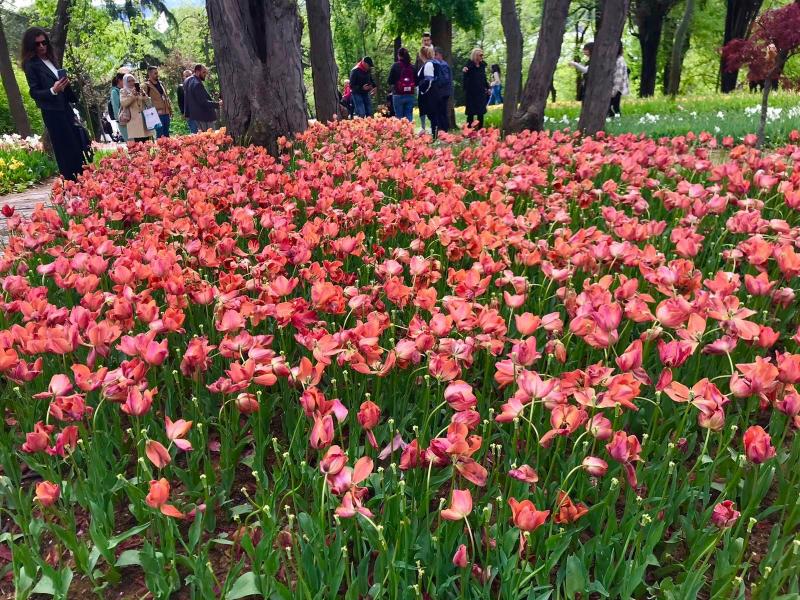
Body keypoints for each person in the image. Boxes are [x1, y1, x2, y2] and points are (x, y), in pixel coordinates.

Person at [21, 27, 85, 181]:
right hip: (52, 112)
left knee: (76, 144)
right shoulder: (31, 65)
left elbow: (60, 84)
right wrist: (53, 90)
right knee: (64, 148)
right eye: (37, 44)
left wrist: (65, 84)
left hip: (65, 108)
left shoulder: (51, 60)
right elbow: (34, 92)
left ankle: (83, 179)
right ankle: (71, 183)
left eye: (44, 42)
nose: (42, 46)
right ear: (31, 46)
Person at [119, 73, 155, 142]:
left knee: (146, 141)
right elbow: (123, 103)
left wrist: (144, 95)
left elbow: (149, 103)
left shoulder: (140, 89)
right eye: (129, 81)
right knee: (138, 141)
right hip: (133, 120)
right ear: (125, 82)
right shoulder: (123, 91)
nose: (132, 82)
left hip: (144, 119)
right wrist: (132, 95)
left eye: (133, 80)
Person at [184, 64, 219, 133]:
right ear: (197, 72)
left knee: (203, 138)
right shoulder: (197, 83)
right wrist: (218, 104)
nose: (205, 74)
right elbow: (203, 102)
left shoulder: (187, 81)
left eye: (206, 72)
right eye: (203, 72)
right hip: (204, 117)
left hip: (195, 116)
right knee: (210, 138)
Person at [416, 45, 442, 138]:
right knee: (432, 115)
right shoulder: (430, 64)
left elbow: (428, 80)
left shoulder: (428, 64)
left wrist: (423, 91)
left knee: (432, 115)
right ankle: (434, 135)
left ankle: (434, 136)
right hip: (430, 94)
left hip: (429, 95)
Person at [462, 48, 489, 129]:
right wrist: (464, 72)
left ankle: (480, 129)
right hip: (471, 93)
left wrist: (487, 88)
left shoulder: (482, 66)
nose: (482, 56)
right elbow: (465, 78)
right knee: (471, 112)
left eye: (482, 55)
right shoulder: (469, 65)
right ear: (475, 55)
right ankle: (469, 129)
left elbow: (484, 78)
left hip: (480, 92)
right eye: (480, 55)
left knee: (481, 112)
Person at [142, 66, 172, 138]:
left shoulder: (161, 83)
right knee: (160, 135)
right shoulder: (145, 85)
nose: (157, 74)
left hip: (166, 113)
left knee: (167, 134)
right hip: (156, 114)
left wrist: (170, 109)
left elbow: (166, 97)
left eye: (157, 73)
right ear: (149, 74)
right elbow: (143, 99)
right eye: (155, 73)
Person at [387, 47, 416, 122]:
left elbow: (389, 81)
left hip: (398, 94)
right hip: (410, 94)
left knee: (399, 117)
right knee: (409, 115)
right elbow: (417, 81)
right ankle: (409, 132)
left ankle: (401, 133)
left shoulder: (395, 66)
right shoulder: (412, 67)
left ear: (398, 55)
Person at [415, 32, 434, 132]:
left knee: (430, 106)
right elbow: (416, 66)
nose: (426, 42)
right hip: (421, 83)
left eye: (427, 40)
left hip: (429, 84)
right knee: (421, 106)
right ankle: (423, 127)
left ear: (430, 40)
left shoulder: (433, 53)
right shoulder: (420, 53)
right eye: (424, 40)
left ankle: (432, 126)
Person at [432, 47, 452, 133]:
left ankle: (443, 130)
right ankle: (443, 129)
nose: (434, 57)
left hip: (441, 92)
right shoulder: (444, 64)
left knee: (441, 111)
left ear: (440, 55)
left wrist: (435, 84)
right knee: (442, 111)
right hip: (445, 91)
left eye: (435, 55)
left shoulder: (442, 65)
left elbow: (444, 79)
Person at [609, 45, 629, 117]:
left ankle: (617, 121)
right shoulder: (617, 59)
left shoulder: (619, 60)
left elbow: (619, 76)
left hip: (617, 88)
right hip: (616, 87)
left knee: (612, 107)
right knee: (614, 107)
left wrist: (614, 90)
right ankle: (616, 120)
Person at [109, 72, 127, 142]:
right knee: (130, 142)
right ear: (119, 80)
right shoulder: (114, 91)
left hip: (128, 119)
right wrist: (119, 119)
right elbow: (115, 106)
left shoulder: (124, 90)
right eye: (124, 80)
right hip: (122, 120)